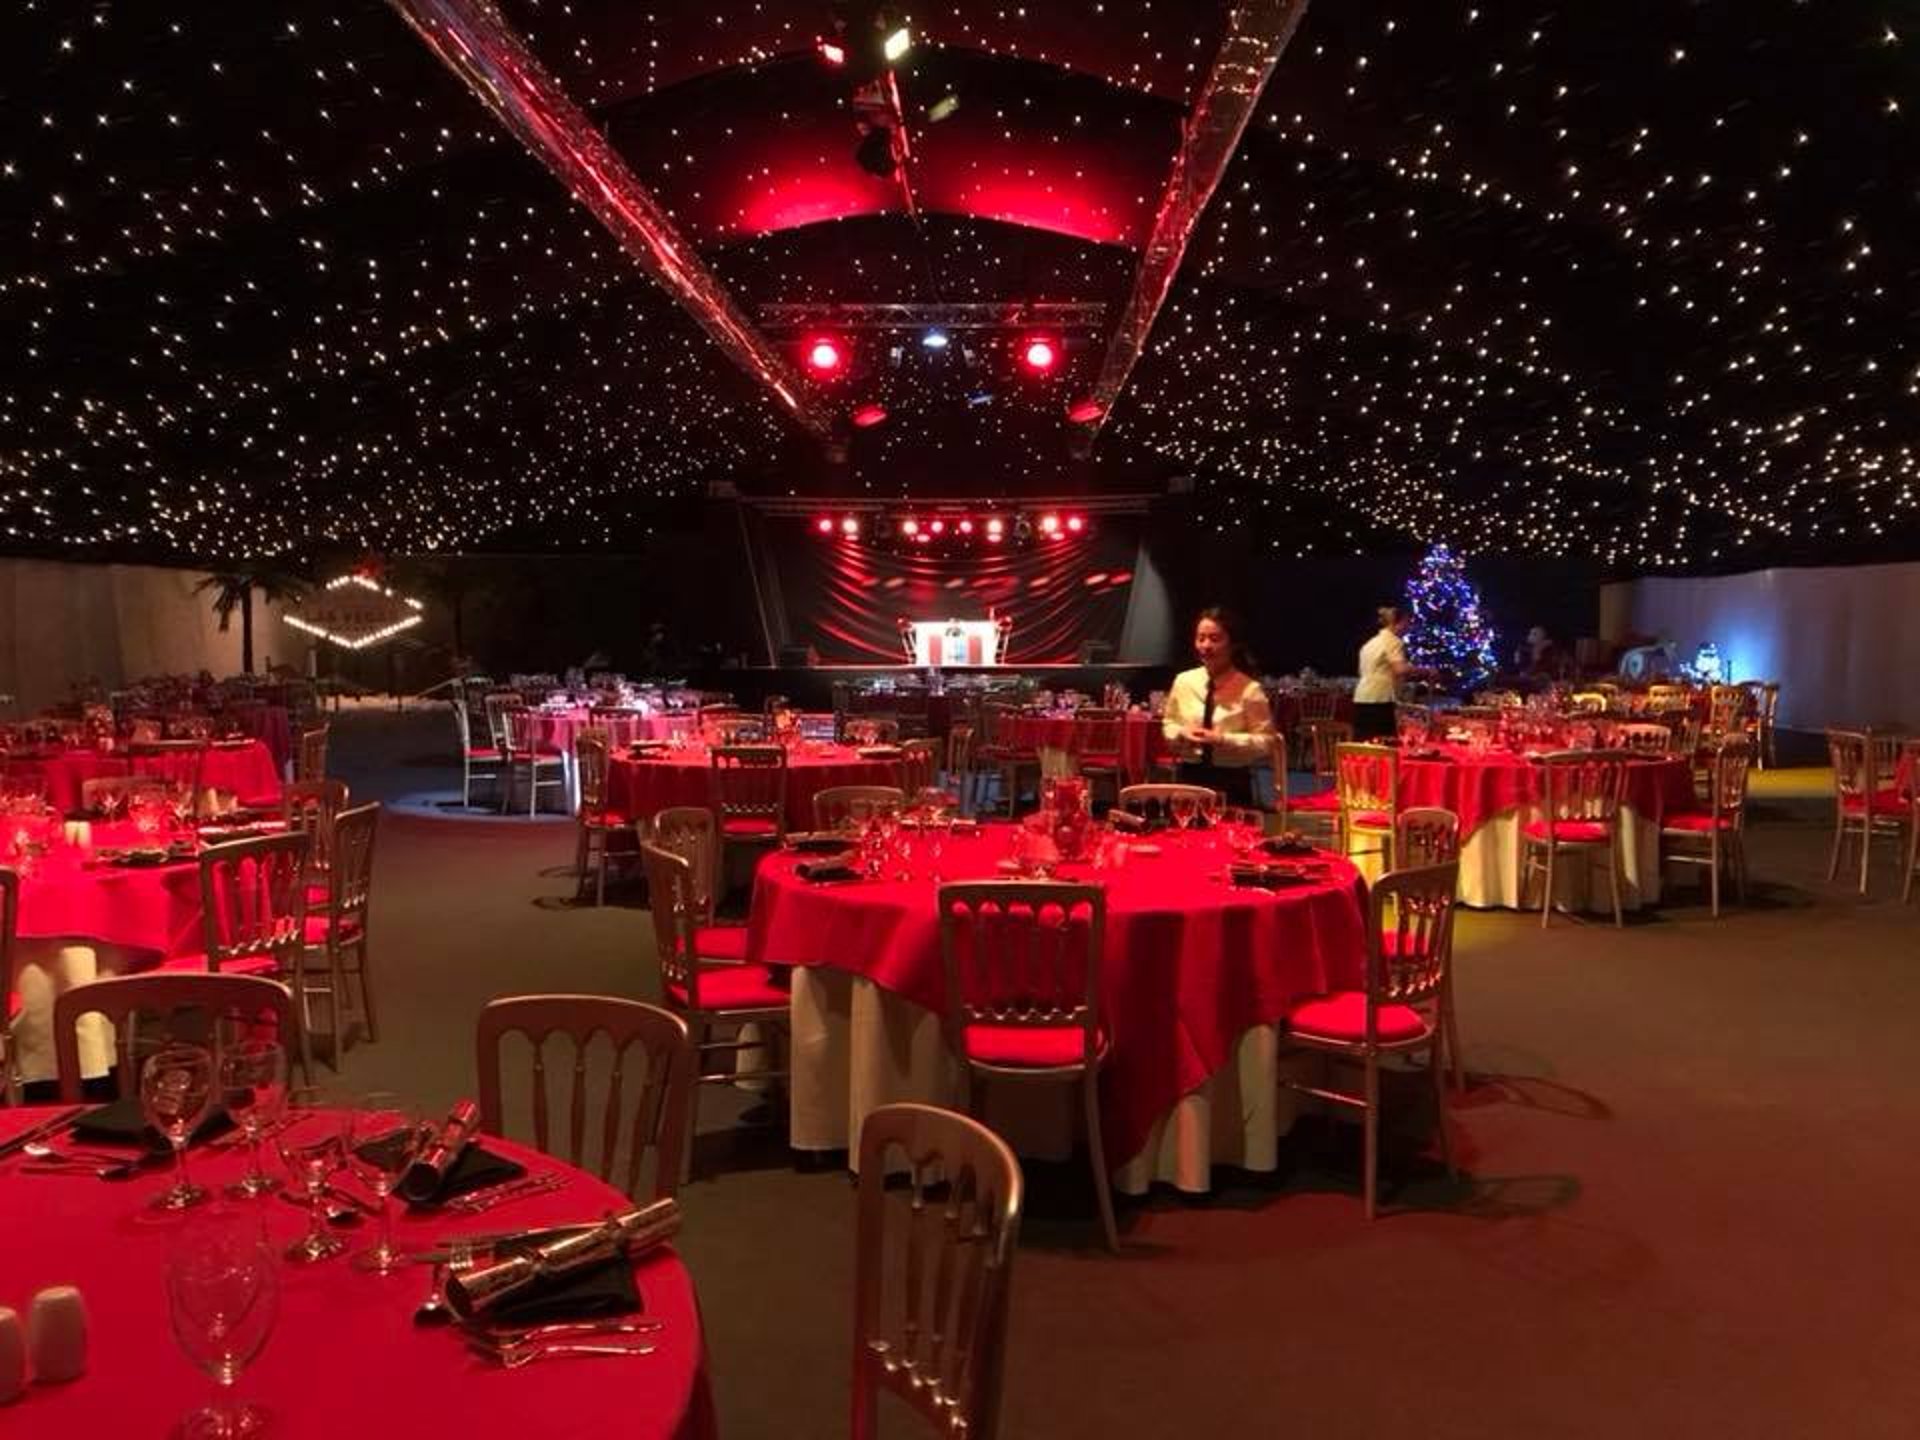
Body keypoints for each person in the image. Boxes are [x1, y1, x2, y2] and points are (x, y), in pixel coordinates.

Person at [1161, 607, 1273, 807]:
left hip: (1231, 780)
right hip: (1189, 775)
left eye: (1214, 639)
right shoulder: (1184, 681)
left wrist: (1223, 739)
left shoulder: (1249, 689)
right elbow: (1169, 723)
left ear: (1232, 644)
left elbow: (1265, 742)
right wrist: (1181, 733)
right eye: (1201, 638)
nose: (1206, 645)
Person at [1353, 606, 1412, 739]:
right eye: (1407, 623)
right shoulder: (1394, 642)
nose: (1408, 627)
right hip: (1381, 697)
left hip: (1362, 697)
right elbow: (1400, 669)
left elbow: (1362, 671)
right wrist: (1425, 671)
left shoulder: (1370, 643)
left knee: (1364, 742)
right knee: (1385, 743)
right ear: (1397, 623)